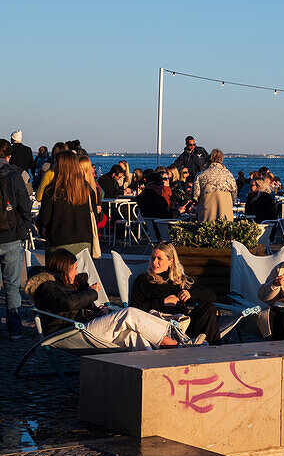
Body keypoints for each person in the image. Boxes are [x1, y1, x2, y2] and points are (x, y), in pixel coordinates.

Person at [26, 248, 186, 348]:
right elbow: (68, 303)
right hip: (67, 333)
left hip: (84, 326)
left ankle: (153, 370)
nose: (76, 273)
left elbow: (79, 308)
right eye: (74, 269)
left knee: (132, 336)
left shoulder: (71, 284)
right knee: (129, 313)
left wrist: (97, 311)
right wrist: (92, 293)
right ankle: (174, 344)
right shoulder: (46, 286)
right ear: (63, 268)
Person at [130, 242, 222, 344]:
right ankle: (212, 348)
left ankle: (214, 348)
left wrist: (190, 294)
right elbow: (133, 308)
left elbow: (212, 296)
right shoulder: (144, 280)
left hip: (184, 328)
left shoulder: (179, 281)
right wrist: (163, 302)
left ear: (170, 261)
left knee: (208, 308)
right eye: (153, 258)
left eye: (159, 258)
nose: (154, 262)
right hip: (161, 329)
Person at [0, 138, 31, 339]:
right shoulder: (14, 174)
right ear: (9, 155)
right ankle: (14, 329)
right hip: (11, 235)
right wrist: (24, 228)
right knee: (12, 286)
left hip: (10, 233)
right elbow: (24, 204)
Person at [38, 151, 96, 255]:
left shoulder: (52, 190)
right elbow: (94, 215)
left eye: (55, 163)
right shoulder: (87, 189)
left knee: (57, 271)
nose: (53, 166)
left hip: (58, 241)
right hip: (84, 241)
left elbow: (44, 218)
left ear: (61, 166)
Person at [192, 150, 238, 222]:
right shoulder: (229, 175)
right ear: (222, 160)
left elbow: (195, 196)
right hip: (225, 207)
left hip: (207, 208)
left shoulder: (201, 175)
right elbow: (234, 195)